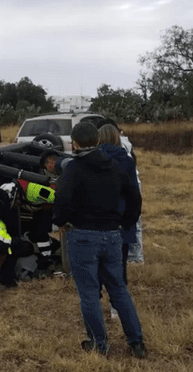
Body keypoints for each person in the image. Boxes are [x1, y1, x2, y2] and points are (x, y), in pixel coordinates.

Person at [53, 122, 146, 357]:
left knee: (89, 293)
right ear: (97, 141)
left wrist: (62, 221)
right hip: (113, 235)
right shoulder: (116, 166)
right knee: (119, 289)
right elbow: (134, 197)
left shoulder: (73, 169)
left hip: (82, 236)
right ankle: (136, 342)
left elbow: (61, 202)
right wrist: (125, 222)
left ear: (74, 143)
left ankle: (98, 344)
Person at [97, 124, 140, 320]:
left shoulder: (91, 159)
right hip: (120, 220)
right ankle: (117, 307)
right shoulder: (127, 160)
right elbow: (134, 194)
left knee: (95, 263)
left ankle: (94, 303)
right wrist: (130, 220)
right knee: (118, 264)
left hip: (96, 220)